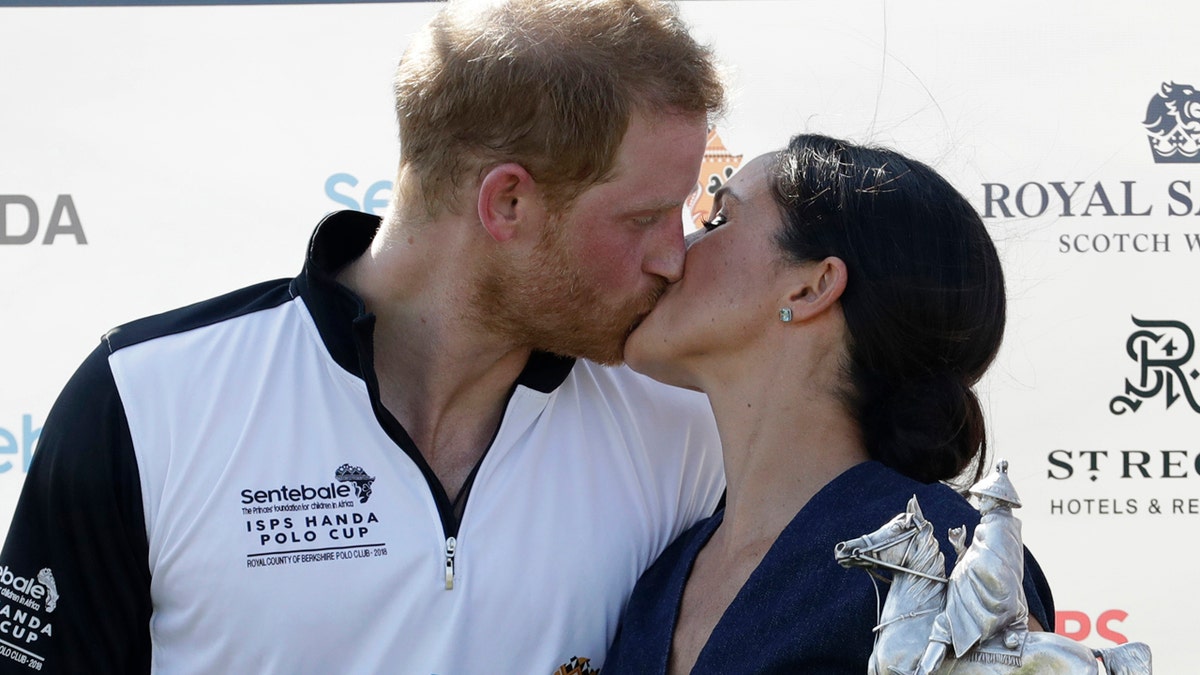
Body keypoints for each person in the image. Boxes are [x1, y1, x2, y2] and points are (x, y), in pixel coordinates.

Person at [0, 1, 726, 672]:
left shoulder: (687, 426)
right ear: (508, 201)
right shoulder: (145, 398)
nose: (675, 254)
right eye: (645, 218)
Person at [603, 134, 1055, 673]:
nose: (676, 250)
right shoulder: (662, 575)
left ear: (811, 289)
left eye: (719, 221)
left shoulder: (943, 559)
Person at [915, 460, 1029, 675]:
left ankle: (923, 672)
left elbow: (990, 567)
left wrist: (963, 569)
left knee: (942, 624)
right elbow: (982, 560)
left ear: (997, 501)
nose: (980, 502)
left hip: (995, 602)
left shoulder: (997, 528)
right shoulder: (995, 525)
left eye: (984, 498)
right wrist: (961, 550)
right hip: (994, 596)